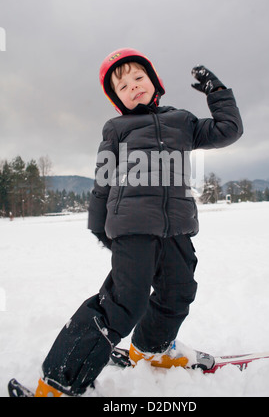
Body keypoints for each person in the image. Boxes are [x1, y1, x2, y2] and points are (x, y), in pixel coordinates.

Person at [34, 48, 243, 397]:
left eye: (138, 78)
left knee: (178, 292)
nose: (132, 87)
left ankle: (150, 350)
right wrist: (100, 227)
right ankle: (59, 380)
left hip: (175, 225)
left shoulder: (182, 121)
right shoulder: (117, 128)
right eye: (122, 86)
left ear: (154, 81)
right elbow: (103, 180)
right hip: (132, 226)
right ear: (116, 99)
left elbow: (228, 130)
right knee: (124, 302)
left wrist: (218, 94)